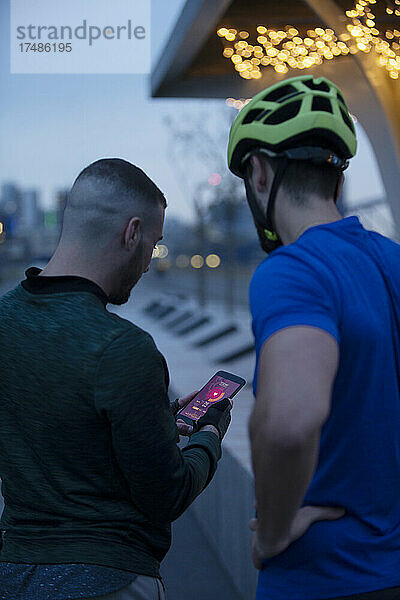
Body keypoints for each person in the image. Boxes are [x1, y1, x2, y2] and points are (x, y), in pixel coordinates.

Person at [0, 158, 233, 600]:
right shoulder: (124, 348)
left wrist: (153, 416)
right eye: (153, 243)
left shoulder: (5, 319)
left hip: (15, 576)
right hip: (110, 581)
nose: (149, 262)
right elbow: (168, 494)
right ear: (131, 233)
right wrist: (208, 436)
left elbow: (57, 422)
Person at [227, 75, 400, 599]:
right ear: (338, 176)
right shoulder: (393, 262)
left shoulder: (293, 271)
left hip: (323, 578)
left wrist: (275, 534)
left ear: (258, 172)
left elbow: (287, 424)